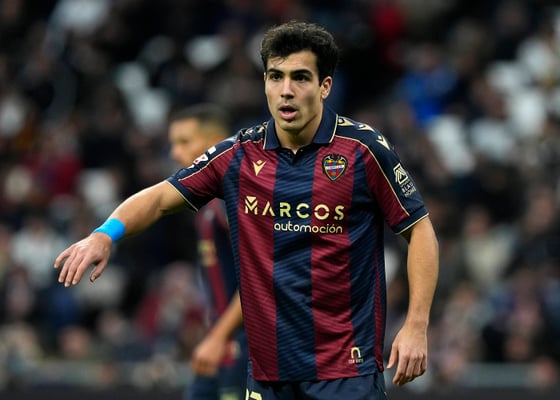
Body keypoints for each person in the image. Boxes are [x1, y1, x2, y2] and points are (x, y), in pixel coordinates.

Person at [55, 21, 439, 400]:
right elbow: (158, 198)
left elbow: (419, 230)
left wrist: (416, 325)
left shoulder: (363, 151)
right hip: (267, 375)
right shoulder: (238, 155)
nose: (286, 90)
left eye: (300, 77)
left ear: (324, 86)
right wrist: (104, 234)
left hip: (345, 373)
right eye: (276, 76)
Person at [167, 104, 247, 400]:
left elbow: (260, 278)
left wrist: (218, 337)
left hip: (247, 346)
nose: (175, 153)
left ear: (215, 143)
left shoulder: (234, 198)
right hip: (222, 342)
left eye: (184, 142)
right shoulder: (208, 201)